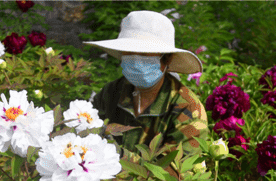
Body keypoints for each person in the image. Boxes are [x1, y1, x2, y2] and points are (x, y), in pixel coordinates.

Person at [85, 11, 208, 155]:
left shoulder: (187, 109)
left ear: (166, 59)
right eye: (128, 52)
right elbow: (87, 134)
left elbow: (173, 171)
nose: (136, 61)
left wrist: (116, 160)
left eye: (144, 54)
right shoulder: (112, 92)